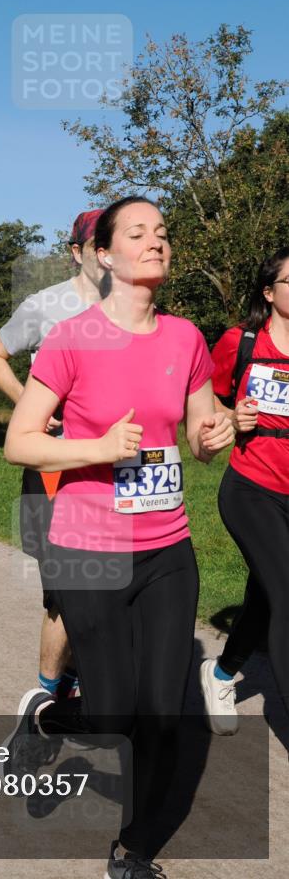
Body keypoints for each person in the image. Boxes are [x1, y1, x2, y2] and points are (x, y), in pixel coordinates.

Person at [4, 196, 233, 879]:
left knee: (161, 714)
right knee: (110, 716)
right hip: (87, 547)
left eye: (162, 231)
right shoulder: (72, 337)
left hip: (167, 548)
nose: (156, 241)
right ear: (104, 254)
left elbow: (198, 438)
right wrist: (97, 447)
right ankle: (45, 721)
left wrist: (214, 435)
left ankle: (132, 851)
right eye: (138, 233)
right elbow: (19, 442)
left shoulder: (186, 338)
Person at [0, 208, 104, 704]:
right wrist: (28, 406)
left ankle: (79, 684)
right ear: (77, 252)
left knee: (108, 585)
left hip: (114, 468)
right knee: (65, 589)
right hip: (54, 466)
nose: (109, 255)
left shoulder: (138, 310)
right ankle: (48, 695)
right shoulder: (45, 305)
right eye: (97, 244)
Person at [200, 246, 289, 735]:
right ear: (269, 292)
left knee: (267, 596)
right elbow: (205, 399)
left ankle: (220, 674)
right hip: (252, 487)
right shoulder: (241, 342)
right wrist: (232, 416)